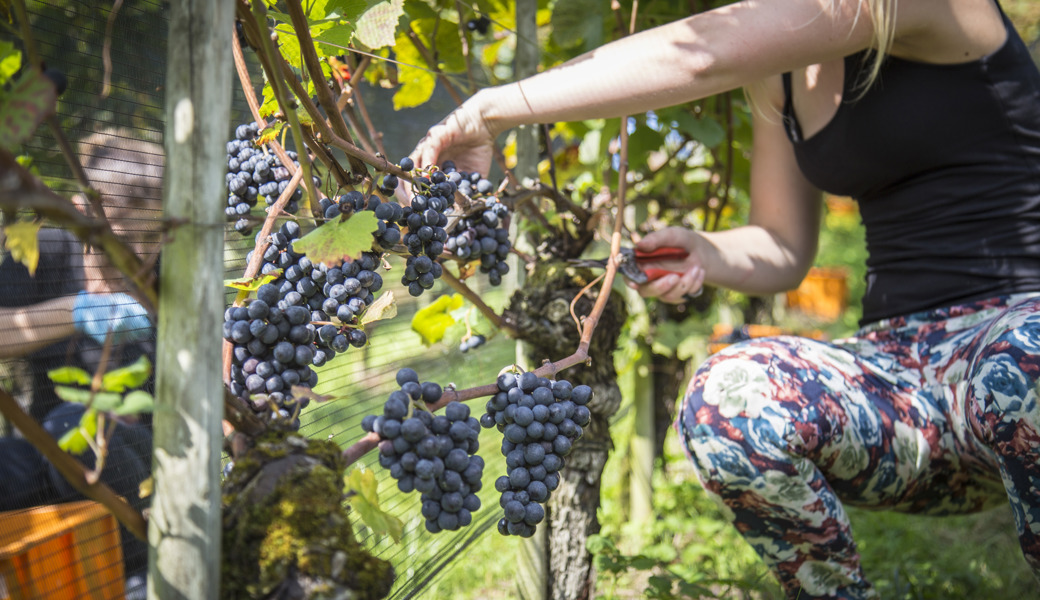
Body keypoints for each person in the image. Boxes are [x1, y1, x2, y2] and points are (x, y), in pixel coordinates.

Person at [409, 0, 1040, 597]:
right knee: (725, 398)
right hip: (906, 390)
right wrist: (708, 254)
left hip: (1020, 344)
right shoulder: (786, 74)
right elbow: (783, 244)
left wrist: (491, 109)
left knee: (1021, 358)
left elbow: (701, 54)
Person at [0, 130, 163, 597]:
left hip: (141, 451)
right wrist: (75, 311)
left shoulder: (172, 270)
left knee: (76, 427)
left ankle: (138, 576)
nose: (139, 254)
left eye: (152, 237)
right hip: (47, 451)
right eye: (122, 237)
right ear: (82, 214)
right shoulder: (40, 251)